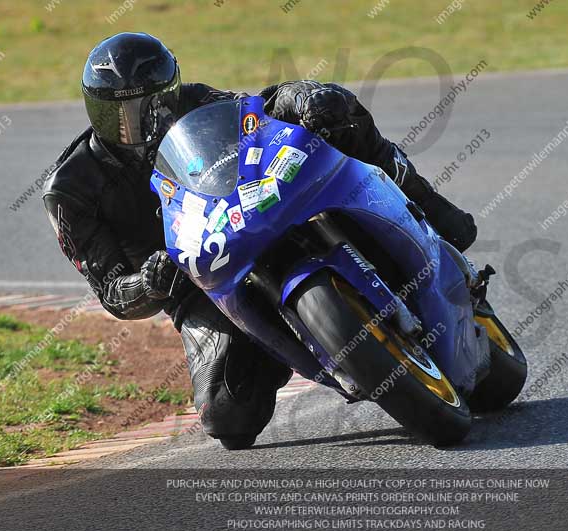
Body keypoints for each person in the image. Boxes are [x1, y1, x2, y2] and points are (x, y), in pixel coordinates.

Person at [43, 32, 477, 450]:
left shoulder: (196, 102)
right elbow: (113, 292)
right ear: (92, 111)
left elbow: (259, 108)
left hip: (263, 208)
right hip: (198, 280)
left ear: (171, 93)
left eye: (151, 106)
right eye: (117, 114)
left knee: (335, 108)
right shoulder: (70, 189)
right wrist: (148, 283)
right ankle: (274, 345)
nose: (136, 124)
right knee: (230, 420)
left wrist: (301, 97)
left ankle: (427, 204)